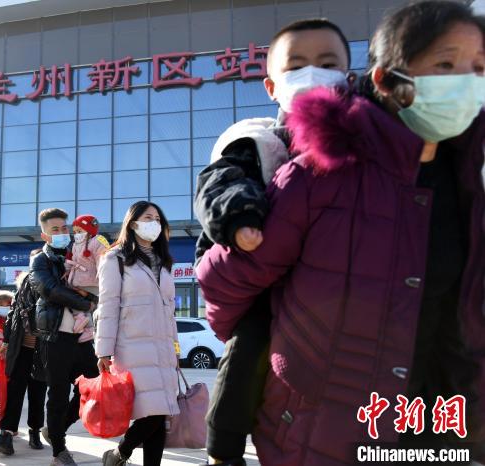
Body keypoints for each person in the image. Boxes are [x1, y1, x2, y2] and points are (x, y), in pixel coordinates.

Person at [196, 2, 485, 465]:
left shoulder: (472, 178)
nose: (466, 81)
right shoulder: (288, 152)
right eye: (445, 65)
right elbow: (221, 196)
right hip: (321, 432)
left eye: (479, 67)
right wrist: (239, 229)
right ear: (386, 79)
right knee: (251, 337)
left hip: (437, 428)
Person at [193, 19, 353, 465]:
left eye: (327, 64)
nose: (313, 74)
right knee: (251, 347)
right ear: (270, 85)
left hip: (340, 284)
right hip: (269, 283)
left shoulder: (366, 142)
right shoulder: (260, 141)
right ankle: (223, 451)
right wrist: (241, 218)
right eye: (297, 65)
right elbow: (219, 183)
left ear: (348, 77)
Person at [95, 201, 179, 466]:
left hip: (163, 349)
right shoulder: (115, 258)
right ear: (132, 223)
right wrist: (103, 351)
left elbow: (169, 312)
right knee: (152, 413)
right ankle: (120, 453)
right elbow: (107, 305)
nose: (154, 222)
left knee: (160, 413)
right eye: (148, 217)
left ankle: (123, 457)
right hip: (131, 347)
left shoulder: (164, 262)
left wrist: (176, 350)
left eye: (157, 218)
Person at [29, 208, 99, 466]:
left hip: (82, 338)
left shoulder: (81, 253)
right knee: (57, 394)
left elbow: (99, 282)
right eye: (55, 229)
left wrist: (91, 298)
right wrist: (85, 303)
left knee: (92, 389)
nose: (62, 233)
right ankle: (59, 450)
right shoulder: (40, 261)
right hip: (55, 337)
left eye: (64, 228)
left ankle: (56, 428)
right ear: (44, 234)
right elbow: (49, 288)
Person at [0, 266, 47, 455]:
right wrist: (6, 342)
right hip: (20, 350)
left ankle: (35, 431)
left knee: (37, 393)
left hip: (42, 352)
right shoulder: (23, 289)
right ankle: (6, 433)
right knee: (14, 392)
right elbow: (11, 317)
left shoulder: (52, 287)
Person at [65, 214, 110, 343]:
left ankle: (89, 328)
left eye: (80, 231)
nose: (76, 234)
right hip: (77, 280)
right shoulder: (75, 245)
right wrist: (66, 271)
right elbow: (71, 260)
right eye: (74, 232)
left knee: (82, 303)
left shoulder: (97, 241)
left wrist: (103, 277)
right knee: (73, 300)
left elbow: (102, 260)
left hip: (91, 281)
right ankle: (84, 325)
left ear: (90, 230)